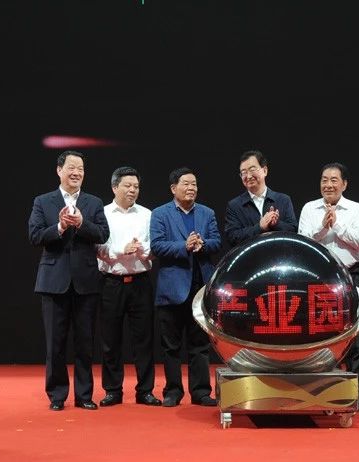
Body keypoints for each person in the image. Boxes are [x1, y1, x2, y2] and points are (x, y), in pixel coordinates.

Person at [28, 151, 109, 411]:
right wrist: (60, 227)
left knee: (85, 343)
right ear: (59, 170)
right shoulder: (43, 201)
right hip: (54, 281)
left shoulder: (93, 202)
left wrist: (83, 223)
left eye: (81, 168)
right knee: (55, 343)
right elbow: (35, 236)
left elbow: (103, 234)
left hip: (86, 282)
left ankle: (84, 395)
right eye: (72, 167)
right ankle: (57, 395)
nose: (77, 173)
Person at [296, 162, 359, 410]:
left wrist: (336, 224)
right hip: (317, 282)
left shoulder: (356, 209)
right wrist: (322, 226)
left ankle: (356, 396)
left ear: (344, 184)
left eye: (334, 180)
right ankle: (323, 394)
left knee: (356, 339)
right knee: (322, 341)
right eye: (324, 180)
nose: (328, 184)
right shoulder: (309, 208)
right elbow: (303, 240)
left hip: (349, 278)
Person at [149, 167, 221, 407]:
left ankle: (200, 392)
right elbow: (157, 246)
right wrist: (184, 246)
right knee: (171, 346)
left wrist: (202, 244)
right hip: (172, 289)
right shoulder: (160, 214)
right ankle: (173, 391)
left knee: (200, 344)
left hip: (200, 288)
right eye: (186, 184)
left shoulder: (207, 213)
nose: (191, 188)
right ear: (173, 188)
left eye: (194, 184)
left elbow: (217, 242)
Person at [95, 167, 162, 407]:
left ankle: (145, 390)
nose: (133, 190)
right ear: (115, 187)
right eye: (128, 185)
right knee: (110, 340)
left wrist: (143, 251)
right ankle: (112, 390)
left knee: (144, 339)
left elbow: (155, 248)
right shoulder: (102, 213)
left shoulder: (147, 214)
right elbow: (96, 248)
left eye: (136, 186)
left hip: (141, 282)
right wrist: (120, 251)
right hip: (111, 283)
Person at [223, 150, 297, 246]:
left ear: (265, 170)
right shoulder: (234, 206)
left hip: (279, 253)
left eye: (252, 170)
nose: (248, 176)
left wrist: (276, 224)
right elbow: (232, 237)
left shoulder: (283, 200)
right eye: (243, 172)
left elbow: (294, 231)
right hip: (251, 255)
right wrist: (259, 227)